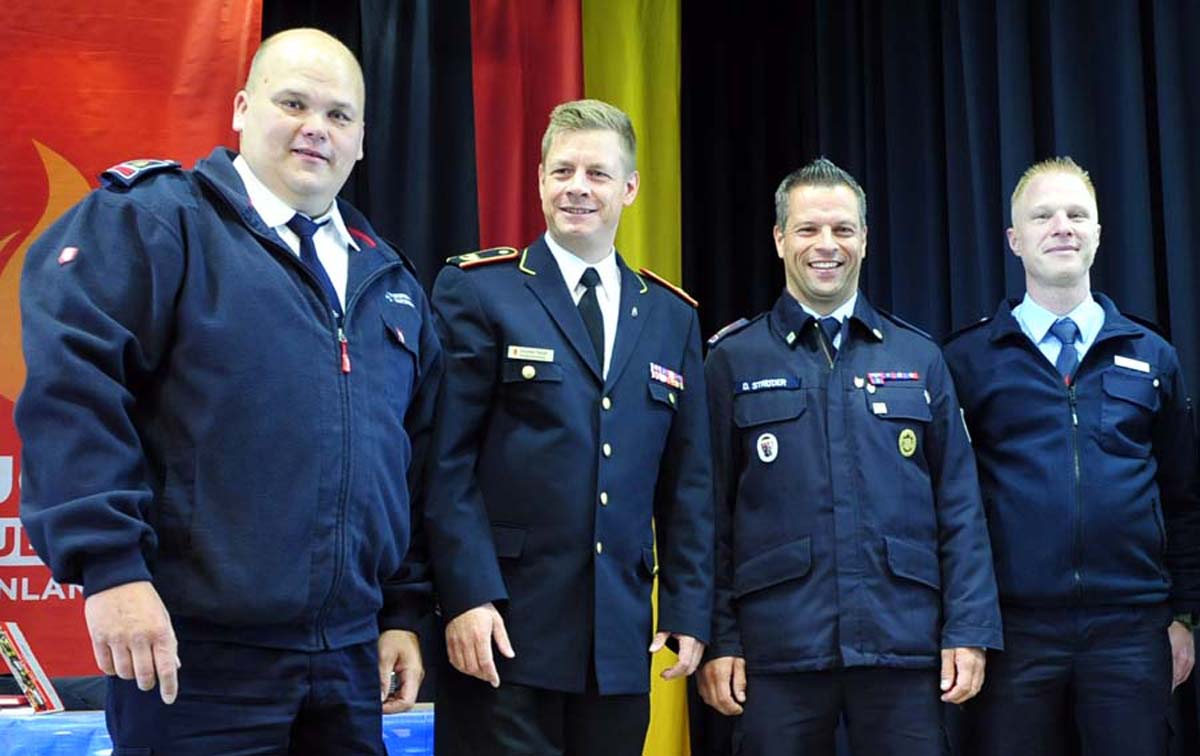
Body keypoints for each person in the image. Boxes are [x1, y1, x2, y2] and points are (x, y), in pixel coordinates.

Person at [16, 28, 441, 754]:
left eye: (339, 115)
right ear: (242, 108)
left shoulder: (390, 281)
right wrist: (111, 570)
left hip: (346, 663)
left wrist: (401, 610)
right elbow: (74, 390)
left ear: (363, 140)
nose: (316, 128)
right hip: (193, 658)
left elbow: (409, 460)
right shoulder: (155, 221)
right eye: (294, 102)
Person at [425, 98, 713, 755]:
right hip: (503, 631)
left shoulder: (670, 315)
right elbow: (445, 463)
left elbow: (688, 482)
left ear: (630, 188)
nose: (577, 187)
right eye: (562, 172)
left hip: (616, 643)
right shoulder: (481, 291)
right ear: (539, 179)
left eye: (598, 174)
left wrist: (690, 609)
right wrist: (465, 596)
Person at [699, 157, 1002, 756]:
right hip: (776, 650)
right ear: (779, 238)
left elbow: (961, 506)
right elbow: (706, 518)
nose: (826, 245)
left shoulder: (919, 357)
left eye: (842, 229)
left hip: (903, 645)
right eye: (808, 229)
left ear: (864, 238)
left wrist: (968, 629)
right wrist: (718, 638)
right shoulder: (732, 360)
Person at [944, 156, 1200, 756]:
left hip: (1131, 629)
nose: (1061, 226)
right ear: (1014, 239)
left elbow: (1183, 495)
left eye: (1076, 214)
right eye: (1042, 215)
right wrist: (963, 623)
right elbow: (948, 505)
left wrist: (1184, 616)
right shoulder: (967, 360)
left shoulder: (1153, 355)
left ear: (1098, 234)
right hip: (1012, 631)